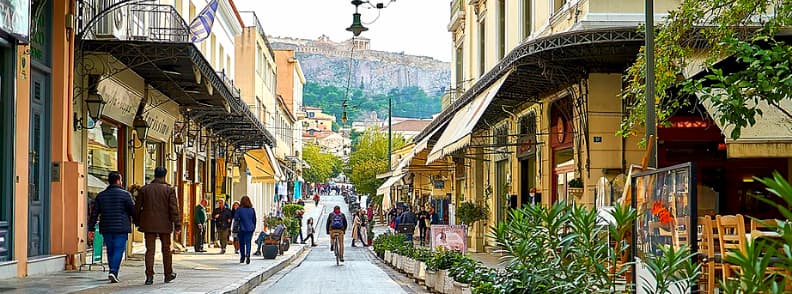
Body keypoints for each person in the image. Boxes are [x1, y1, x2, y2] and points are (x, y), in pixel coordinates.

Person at [136, 167, 180, 285]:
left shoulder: (144, 189)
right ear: (165, 175)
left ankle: (149, 276)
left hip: (148, 224)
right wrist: (177, 225)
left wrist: (137, 221)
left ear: (154, 175)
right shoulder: (169, 190)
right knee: (166, 249)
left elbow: (137, 207)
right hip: (165, 224)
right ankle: (168, 274)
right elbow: (174, 209)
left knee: (150, 250)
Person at [88, 171, 134, 283]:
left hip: (106, 227)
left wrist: (91, 227)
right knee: (118, 249)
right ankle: (113, 271)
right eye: (121, 180)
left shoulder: (101, 196)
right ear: (118, 180)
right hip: (121, 228)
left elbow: (94, 213)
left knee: (110, 249)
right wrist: (138, 222)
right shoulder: (126, 195)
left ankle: (112, 271)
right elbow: (133, 210)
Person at [234, 196, 256, 264]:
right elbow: (254, 219)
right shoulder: (252, 209)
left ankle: (242, 257)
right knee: (248, 242)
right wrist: (253, 227)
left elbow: (236, 218)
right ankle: (248, 255)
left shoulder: (239, 209)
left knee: (242, 243)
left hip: (242, 228)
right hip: (250, 228)